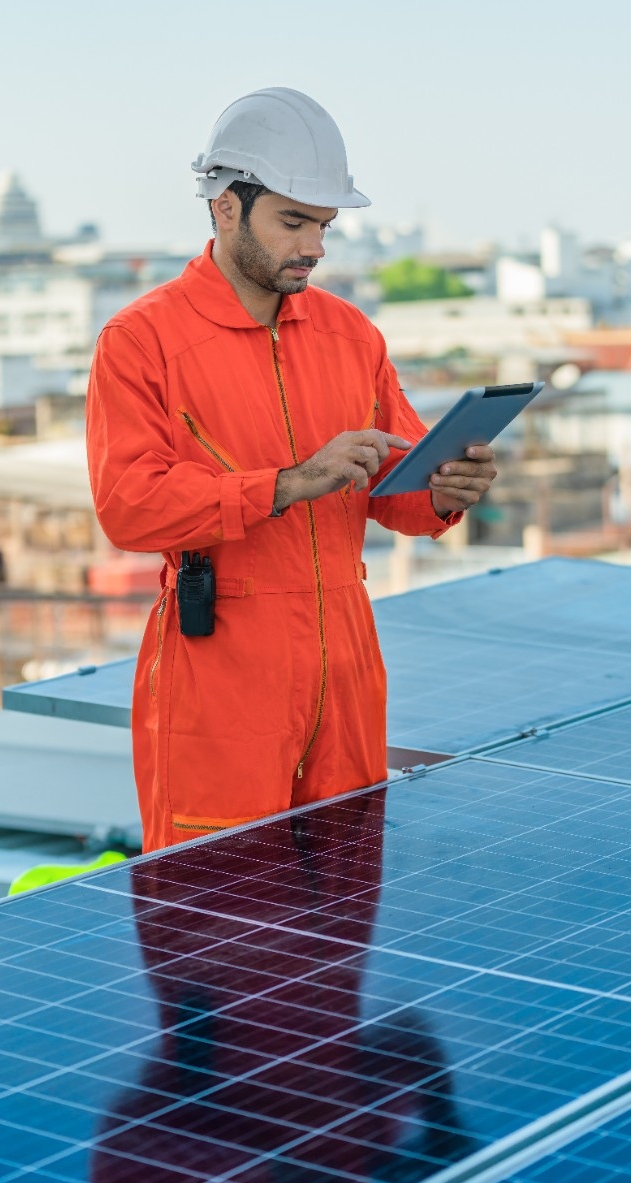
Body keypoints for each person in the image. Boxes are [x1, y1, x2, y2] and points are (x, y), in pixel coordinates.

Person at [86, 87, 498, 854]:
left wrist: (443, 493)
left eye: (323, 226)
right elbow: (128, 507)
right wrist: (286, 484)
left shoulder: (350, 335)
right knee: (219, 911)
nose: (312, 246)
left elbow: (396, 495)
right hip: (220, 667)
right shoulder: (140, 341)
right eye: (293, 221)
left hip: (346, 653)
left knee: (341, 911)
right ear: (225, 207)